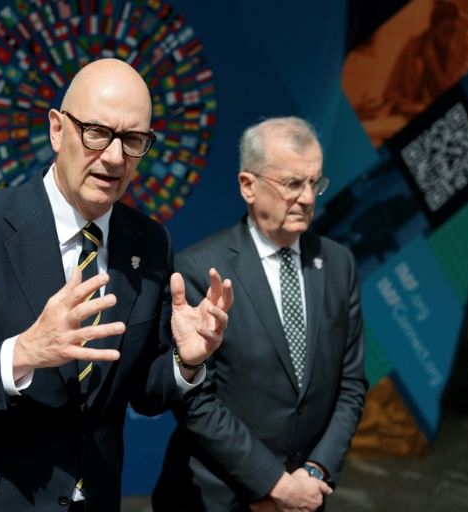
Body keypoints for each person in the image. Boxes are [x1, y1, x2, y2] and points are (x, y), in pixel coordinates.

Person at [0, 58, 233, 512]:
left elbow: (140, 392)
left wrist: (185, 362)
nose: (114, 157)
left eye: (133, 140)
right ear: (57, 130)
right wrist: (23, 353)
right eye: (96, 132)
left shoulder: (151, 242)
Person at [152, 117, 367, 511]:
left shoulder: (339, 264)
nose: (307, 198)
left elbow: (351, 384)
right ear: (248, 186)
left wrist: (315, 472)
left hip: (305, 496)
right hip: (217, 498)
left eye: (315, 183)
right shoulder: (200, 270)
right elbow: (196, 400)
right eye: (292, 184)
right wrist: (274, 485)